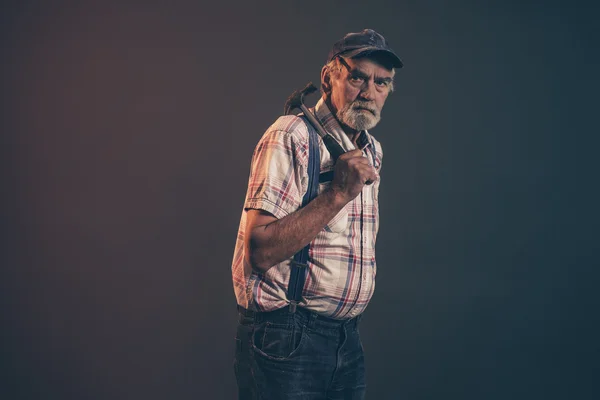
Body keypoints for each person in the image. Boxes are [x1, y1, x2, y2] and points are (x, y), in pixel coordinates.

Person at [231, 29, 403, 400]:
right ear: (330, 77)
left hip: (346, 339)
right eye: (358, 76)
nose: (369, 92)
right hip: (286, 338)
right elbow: (258, 252)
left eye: (382, 83)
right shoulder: (290, 136)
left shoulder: (371, 150)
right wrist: (338, 193)